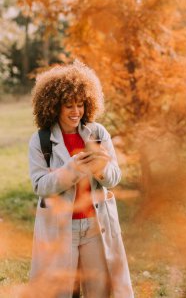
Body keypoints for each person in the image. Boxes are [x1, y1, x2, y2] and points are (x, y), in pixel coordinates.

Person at [28, 60, 134, 298]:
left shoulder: (97, 133)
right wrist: (72, 169)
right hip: (60, 228)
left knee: (101, 290)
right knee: (61, 291)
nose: (76, 112)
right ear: (54, 106)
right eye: (69, 106)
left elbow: (114, 178)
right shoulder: (41, 140)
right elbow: (39, 186)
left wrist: (100, 169)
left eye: (80, 104)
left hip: (95, 226)